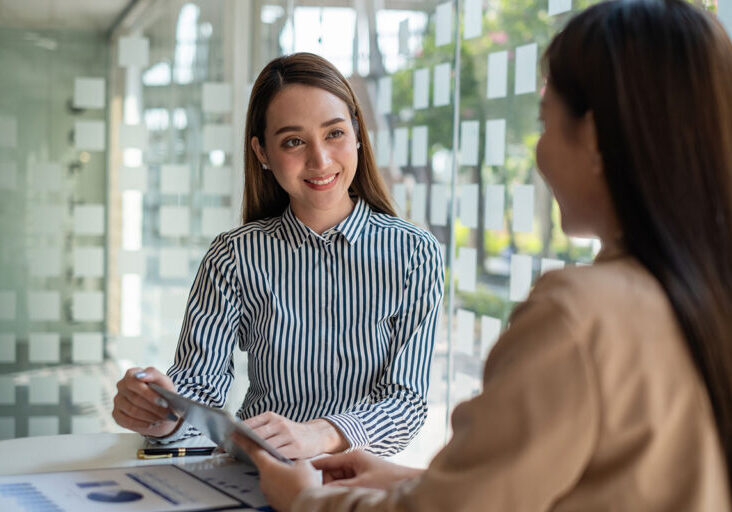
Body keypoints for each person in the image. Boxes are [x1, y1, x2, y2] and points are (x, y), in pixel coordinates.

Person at [232, 0, 732, 509]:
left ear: (596, 137)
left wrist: (303, 501)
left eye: (545, 122)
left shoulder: (580, 315)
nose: (538, 153)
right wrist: (405, 481)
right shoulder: (703, 291)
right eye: (294, 141)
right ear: (263, 153)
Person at [111, 52, 444, 459]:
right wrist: (161, 411)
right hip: (256, 479)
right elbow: (200, 386)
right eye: (293, 141)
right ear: (263, 152)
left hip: (361, 486)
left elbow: (405, 404)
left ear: (358, 133)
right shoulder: (233, 257)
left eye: (334, 133)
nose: (320, 160)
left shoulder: (414, 253)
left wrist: (321, 434)